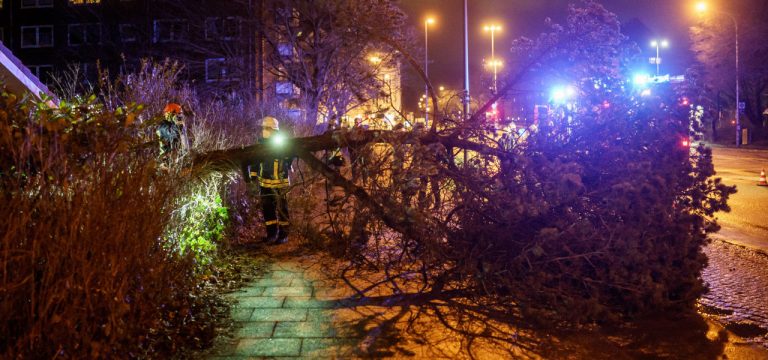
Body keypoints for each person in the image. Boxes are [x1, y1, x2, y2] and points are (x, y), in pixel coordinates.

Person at [243, 116, 294, 244]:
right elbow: (255, 162)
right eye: (263, 128)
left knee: (282, 208)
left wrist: (287, 163)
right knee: (268, 209)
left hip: (280, 182)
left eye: (266, 128)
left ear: (273, 129)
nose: (264, 130)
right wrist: (253, 177)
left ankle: (283, 235)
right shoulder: (260, 144)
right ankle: (271, 234)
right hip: (264, 182)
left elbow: (291, 155)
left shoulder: (282, 142)